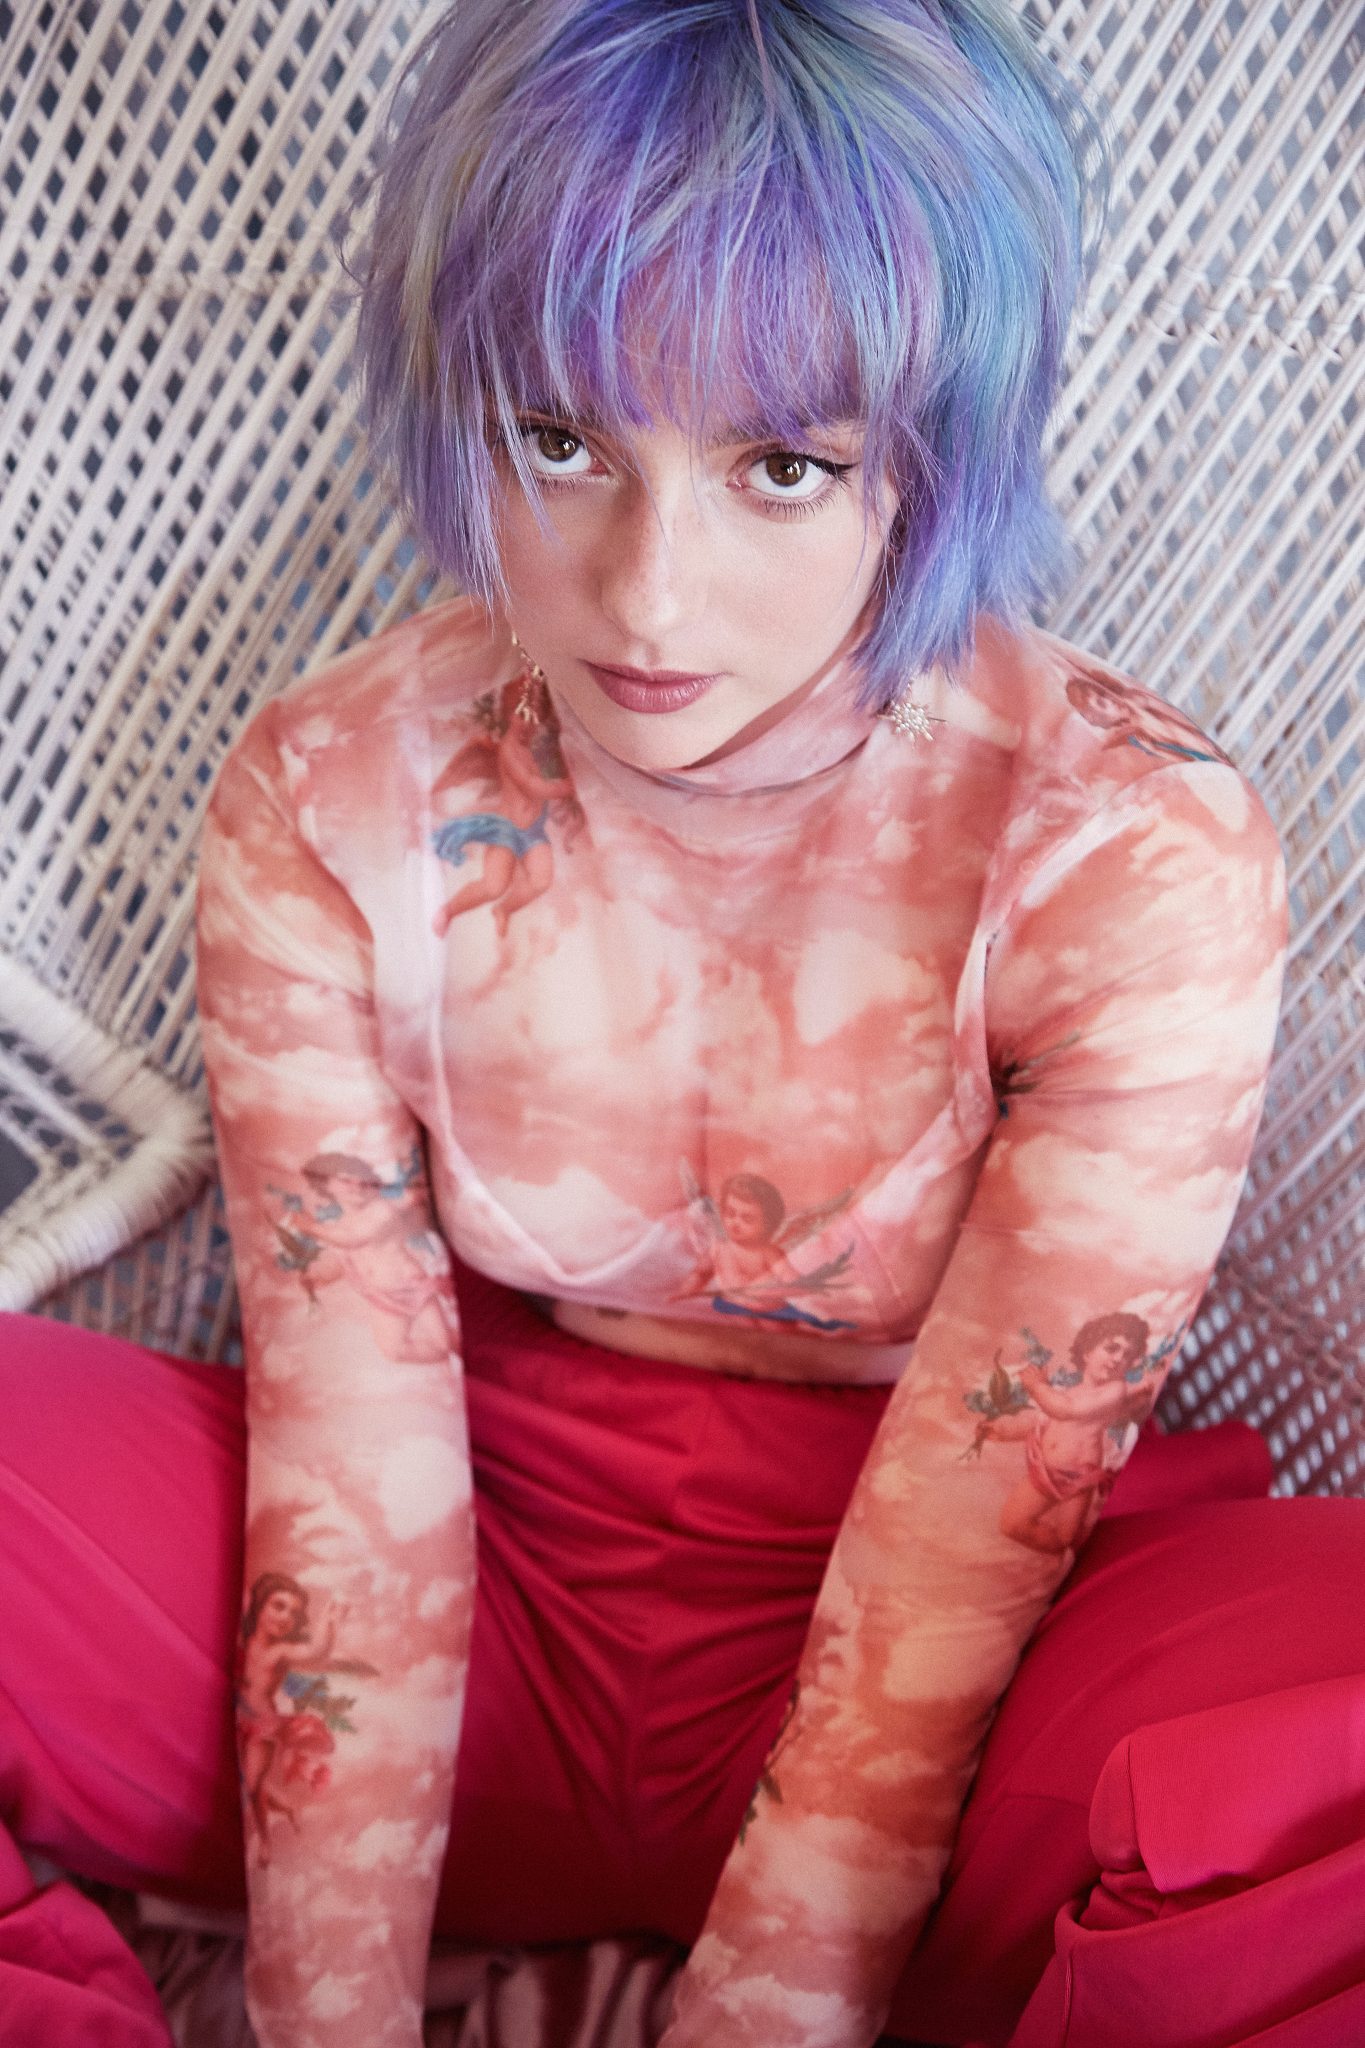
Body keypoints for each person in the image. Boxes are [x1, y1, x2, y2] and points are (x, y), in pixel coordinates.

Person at [4, 5, 1365, 2048]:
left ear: (938, 452)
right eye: (562, 442)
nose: (646, 597)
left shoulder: (1122, 846)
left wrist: (773, 2001)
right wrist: (322, 2017)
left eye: (781, 467)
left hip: (991, 1651)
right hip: (477, 1577)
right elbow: (352, 1445)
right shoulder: (331, 789)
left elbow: (974, 1521)